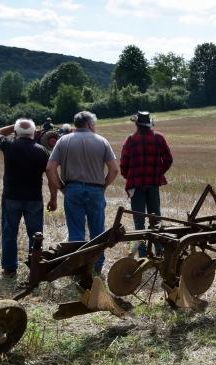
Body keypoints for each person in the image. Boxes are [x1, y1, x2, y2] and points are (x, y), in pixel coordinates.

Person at [46, 111, 119, 273]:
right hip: (96, 190)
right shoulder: (102, 141)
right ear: (90, 124)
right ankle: (97, 267)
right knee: (97, 232)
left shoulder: (63, 141)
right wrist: (103, 187)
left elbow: (50, 168)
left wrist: (62, 187)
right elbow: (114, 169)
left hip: (72, 189)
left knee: (76, 232)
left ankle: (77, 269)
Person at [0, 118, 57, 276]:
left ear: (15, 132)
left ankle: (9, 268)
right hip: (34, 199)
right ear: (34, 133)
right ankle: (34, 268)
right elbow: (51, 178)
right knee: (36, 236)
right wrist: (53, 198)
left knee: (9, 233)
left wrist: (15, 125)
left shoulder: (9, 145)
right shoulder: (42, 151)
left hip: (11, 197)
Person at [120, 111, 173, 256]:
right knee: (155, 219)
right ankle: (159, 252)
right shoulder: (159, 138)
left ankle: (143, 255)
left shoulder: (130, 140)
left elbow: (123, 164)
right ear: (149, 124)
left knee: (139, 222)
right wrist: (158, 172)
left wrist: (130, 177)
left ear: (136, 124)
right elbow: (168, 159)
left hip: (136, 186)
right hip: (153, 183)